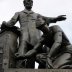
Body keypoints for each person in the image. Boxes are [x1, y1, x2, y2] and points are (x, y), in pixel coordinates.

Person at [1, 0, 66, 68]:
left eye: (30, 1)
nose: (29, 3)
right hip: (24, 36)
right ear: (24, 3)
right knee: (22, 52)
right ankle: (19, 68)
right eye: (27, 1)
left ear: (32, 3)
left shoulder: (36, 15)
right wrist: (4, 24)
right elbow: (11, 22)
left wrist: (56, 18)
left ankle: (43, 66)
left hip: (36, 37)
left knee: (36, 54)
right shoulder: (19, 13)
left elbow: (46, 18)